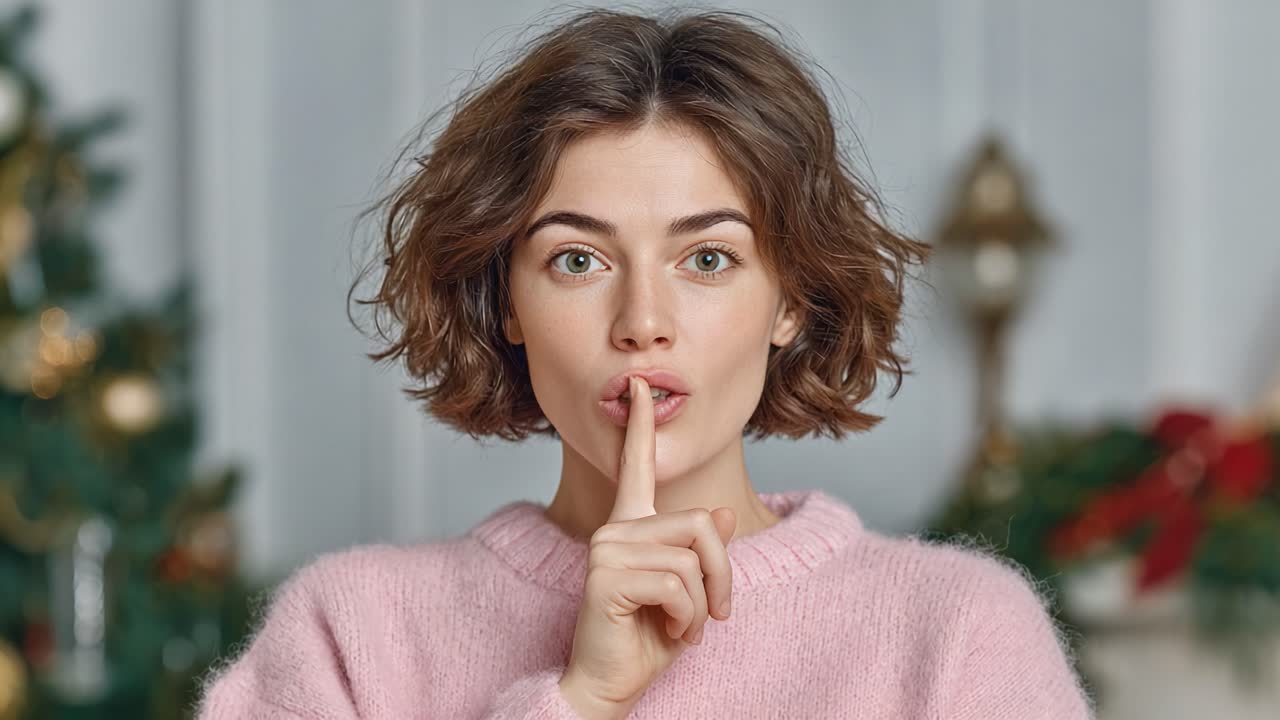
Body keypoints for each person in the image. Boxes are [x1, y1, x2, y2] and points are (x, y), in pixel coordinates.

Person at [195, 6, 1095, 719]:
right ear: (506, 301)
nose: (642, 323)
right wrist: (579, 703)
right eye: (577, 260)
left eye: (707, 259)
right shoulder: (348, 634)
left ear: (789, 300)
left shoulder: (960, 634)